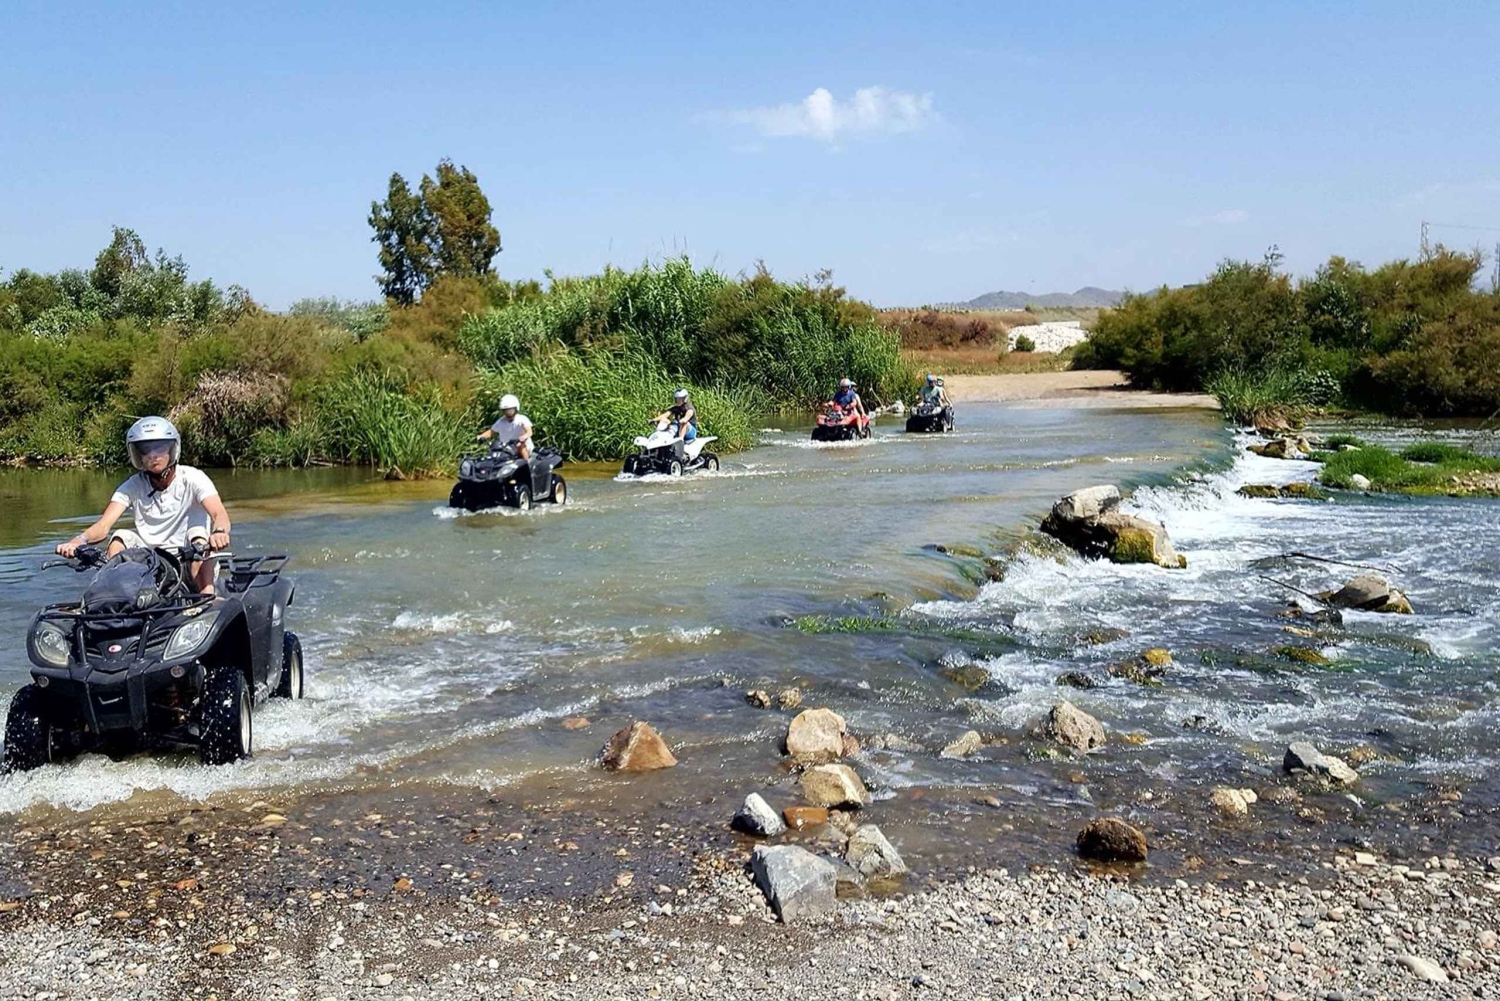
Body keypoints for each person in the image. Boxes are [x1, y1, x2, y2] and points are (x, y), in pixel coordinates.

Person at [55, 416, 231, 594]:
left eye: (160, 448)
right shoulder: (132, 486)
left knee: (198, 534)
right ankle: (115, 595)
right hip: (151, 566)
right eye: (146, 450)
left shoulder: (194, 478)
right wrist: (79, 541)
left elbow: (219, 514)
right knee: (120, 537)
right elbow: (104, 525)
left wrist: (219, 533)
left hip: (188, 560)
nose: (153, 455)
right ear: (138, 455)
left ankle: (207, 595)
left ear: (172, 449)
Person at [477, 393, 533, 459]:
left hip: (523, 448)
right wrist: (480, 436)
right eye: (506, 411)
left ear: (516, 409)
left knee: (520, 446)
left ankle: (527, 465)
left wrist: (524, 437)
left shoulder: (522, 419)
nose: (508, 413)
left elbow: (529, 431)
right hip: (506, 449)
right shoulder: (501, 421)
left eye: (510, 411)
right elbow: (491, 432)